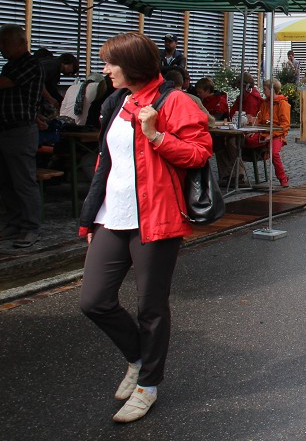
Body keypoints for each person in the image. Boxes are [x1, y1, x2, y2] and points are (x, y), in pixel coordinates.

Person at [78, 32, 212, 423]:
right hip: (112, 217)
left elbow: (200, 154)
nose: (104, 70)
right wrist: (90, 216)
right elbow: (106, 162)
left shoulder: (176, 102)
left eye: (110, 64)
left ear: (132, 65)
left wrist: (156, 135)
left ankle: (148, 385)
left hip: (155, 219)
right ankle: (138, 358)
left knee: (150, 307)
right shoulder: (115, 101)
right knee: (93, 301)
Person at [0, 25, 44, 248]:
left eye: (5, 42)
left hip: (20, 130)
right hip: (6, 129)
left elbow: (6, 83)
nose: (2, 47)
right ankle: (14, 222)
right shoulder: (10, 64)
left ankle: (30, 227)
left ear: (21, 43)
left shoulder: (29, 63)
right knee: (6, 181)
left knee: (23, 181)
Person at [253, 78, 290, 188]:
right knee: (246, 141)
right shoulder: (265, 103)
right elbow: (259, 119)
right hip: (264, 132)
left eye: (265, 89)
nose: (263, 91)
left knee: (274, 153)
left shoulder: (282, 104)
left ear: (272, 89)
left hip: (277, 134)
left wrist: (272, 135)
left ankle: (282, 178)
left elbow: (285, 125)